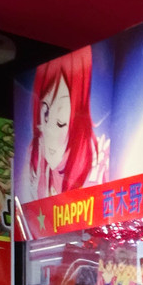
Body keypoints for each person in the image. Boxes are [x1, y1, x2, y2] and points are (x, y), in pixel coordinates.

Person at [21, 49, 106, 200]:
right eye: (45, 113)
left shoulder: (98, 167)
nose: (49, 131)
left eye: (60, 122)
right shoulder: (35, 155)